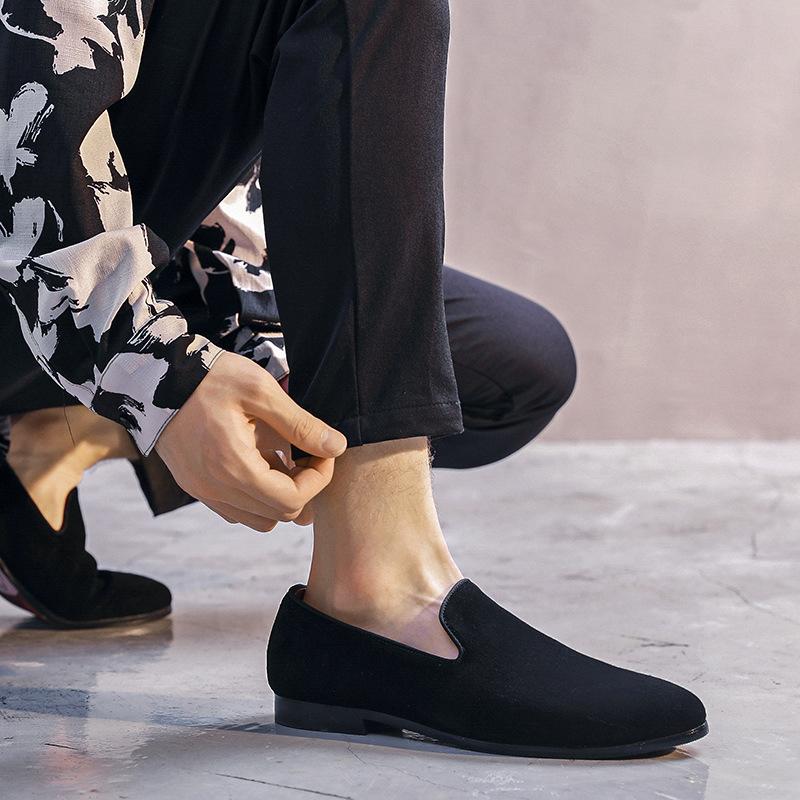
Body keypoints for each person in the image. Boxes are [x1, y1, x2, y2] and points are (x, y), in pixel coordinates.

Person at [0, 0, 707, 758]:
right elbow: (33, 71)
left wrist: (250, 348)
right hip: (27, 231)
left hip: (139, 238)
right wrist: (153, 365)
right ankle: (380, 590)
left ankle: (55, 434)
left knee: (515, 367)